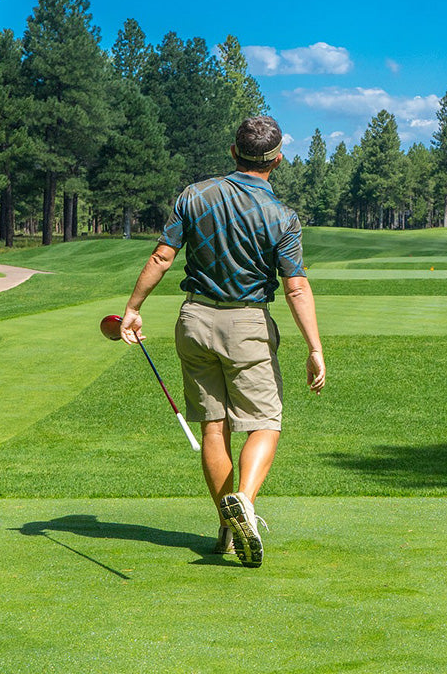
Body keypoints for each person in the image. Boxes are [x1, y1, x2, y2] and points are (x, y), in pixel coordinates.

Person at [120, 116, 325, 568]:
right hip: (247, 323)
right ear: (278, 158)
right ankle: (245, 505)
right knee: (265, 422)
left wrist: (133, 307)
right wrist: (314, 347)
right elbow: (294, 287)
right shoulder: (283, 217)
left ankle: (228, 526)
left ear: (234, 151)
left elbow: (162, 256)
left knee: (215, 426)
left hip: (194, 320)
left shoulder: (194, 195)